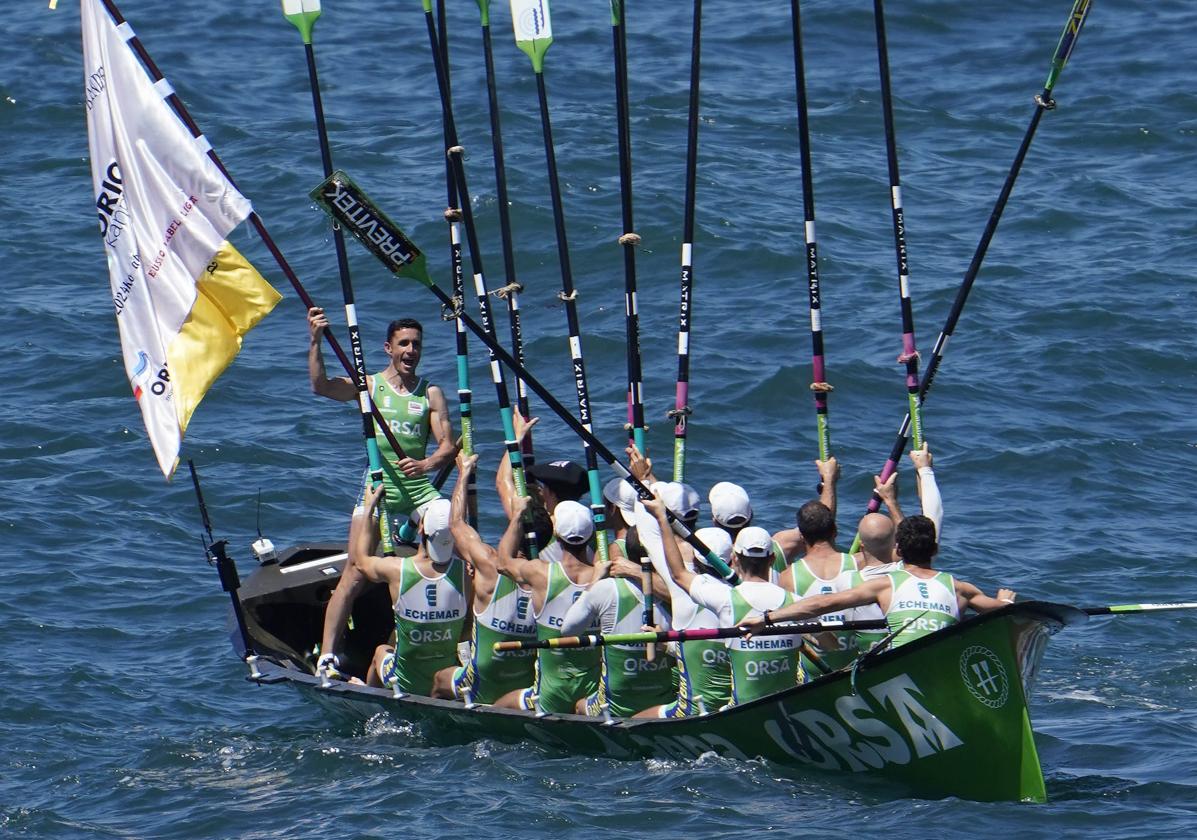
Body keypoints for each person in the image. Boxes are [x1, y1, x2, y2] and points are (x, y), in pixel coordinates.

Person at [309, 308, 456, 678]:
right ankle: (327, 655)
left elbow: (447, 448)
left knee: (458, 556)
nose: (411, 350)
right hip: (377, 488)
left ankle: (459, 646)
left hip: (419, 489)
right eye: (403, 344)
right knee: (355, 571)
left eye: (416, 344)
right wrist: (315, 340)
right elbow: (322, 386)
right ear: (388, 348)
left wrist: (425, 465)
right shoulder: (370, 386)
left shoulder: (431, 393)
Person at [741, 515, 1016, 648]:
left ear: (898, 550)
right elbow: (1000, 610)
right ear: (935, 550)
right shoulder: (960, 588)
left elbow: (823, 604)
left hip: (900, 666)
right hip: (938, 664)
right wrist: (1006, 600)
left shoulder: (885, 584)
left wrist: (767, 618)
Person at [654, 500, 804, 707]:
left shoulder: (725, 598)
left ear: (734, 559)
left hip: (741, 709)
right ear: (772, 559)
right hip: (788, 706)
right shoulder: (796, 603)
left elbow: (679, 574)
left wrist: (662, 518)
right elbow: (829, 645)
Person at [430, 453, 553, 704]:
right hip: (524, 679)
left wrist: (463, 472)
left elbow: (455, 523)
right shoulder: (552, 577)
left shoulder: (489, 564)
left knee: (440, 678)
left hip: (482, 680)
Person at [346, 484, 469, 695]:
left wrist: (369, 508)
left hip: (406, 682)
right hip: (445, 679)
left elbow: (360, 561)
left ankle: (370, 695)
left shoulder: (397, 569)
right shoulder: (466, 574)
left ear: (421, 529)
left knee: (380, 651)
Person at [494, 495, 603, 714]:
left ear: (556, 534)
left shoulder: (541, 573)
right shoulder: (605, 577)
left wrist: (517, 515)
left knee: (499, 705)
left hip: (549, 695)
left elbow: (503, 563)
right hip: (592, 693)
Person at [561, 538, 675, 718]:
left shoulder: (606, 588)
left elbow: (568, 630)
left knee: (579, 706)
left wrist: (595, 579)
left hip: (613, 707)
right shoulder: (678, 592)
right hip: (663, 699)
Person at [635, 526, 734, 718]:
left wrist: (660, 515)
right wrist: (666, 644)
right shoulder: (743, 596)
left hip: (691, 710)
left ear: (695, 561)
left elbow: (650, 539)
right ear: (733, 559)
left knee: (634, 721)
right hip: (734, 707)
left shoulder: (685, 596)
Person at [779, 493, 860, 672]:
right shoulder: (858, 565)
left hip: (814, 673)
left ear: (801, 536)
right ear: (835, 530)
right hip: (854, 666)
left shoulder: (787, 577)